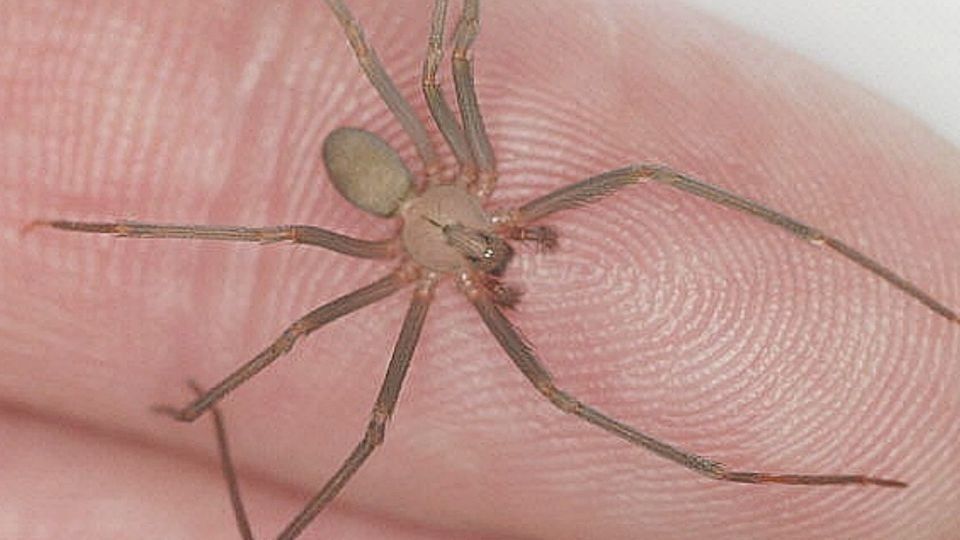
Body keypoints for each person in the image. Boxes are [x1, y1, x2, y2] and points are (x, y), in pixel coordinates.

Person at [2, 1, 957, 538]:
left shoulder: (474, 188)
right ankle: (194, 406)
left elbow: (450, 50)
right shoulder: (421, 245)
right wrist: (117, 238)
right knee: (348, 367)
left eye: (486, 245)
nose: (490, 248)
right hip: (391, 210)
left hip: (415, 195)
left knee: (636, 167)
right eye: (484, 246)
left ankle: (747, 448)